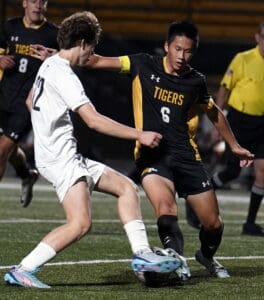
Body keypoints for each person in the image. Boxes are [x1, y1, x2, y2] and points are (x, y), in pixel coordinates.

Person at [3, 11, 182, 289]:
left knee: (126, 187)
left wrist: (46, 129)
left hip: (61, 155)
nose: (92, 54)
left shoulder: (49, 64)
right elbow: (94, 120)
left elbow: (29, 101)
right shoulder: (64, 74)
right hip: (60, 160)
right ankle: (23, 269)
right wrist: (140, 134)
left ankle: (142, 254)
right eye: (93, 48)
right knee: (80, 224)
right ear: (84, 43)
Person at [85, 20, 254, 280]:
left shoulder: (195, 81)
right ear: (167, 46)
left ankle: (206, 256)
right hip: (152, 155)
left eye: (188, 51)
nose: (182, 56)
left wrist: (235, 147)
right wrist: (64, 54)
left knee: (213, 224)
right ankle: (176, 260)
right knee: (166, 208)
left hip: (187, 156)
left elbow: (214, 113)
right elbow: (96, 61)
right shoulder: (141, 64)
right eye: (177, 49)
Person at [187, 20, 264, 237]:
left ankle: (250, 223)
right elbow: (224, 88)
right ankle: (196, 197)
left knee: (263, 172)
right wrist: (216, 119)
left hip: (261, 124)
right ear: (257, 38)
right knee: (232, 171)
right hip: (239, 120)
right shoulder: (242, 58)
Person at [0, 0, 58, 207]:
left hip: (27, 103)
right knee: (9, 150)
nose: (38, 5)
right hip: (3, 97)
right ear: (24, 3)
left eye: (43, 1)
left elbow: (70, 63)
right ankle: (27, 175)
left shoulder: (54, 34)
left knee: (1, 150)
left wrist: (55, 58)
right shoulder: (9, 27)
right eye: (33, 1)